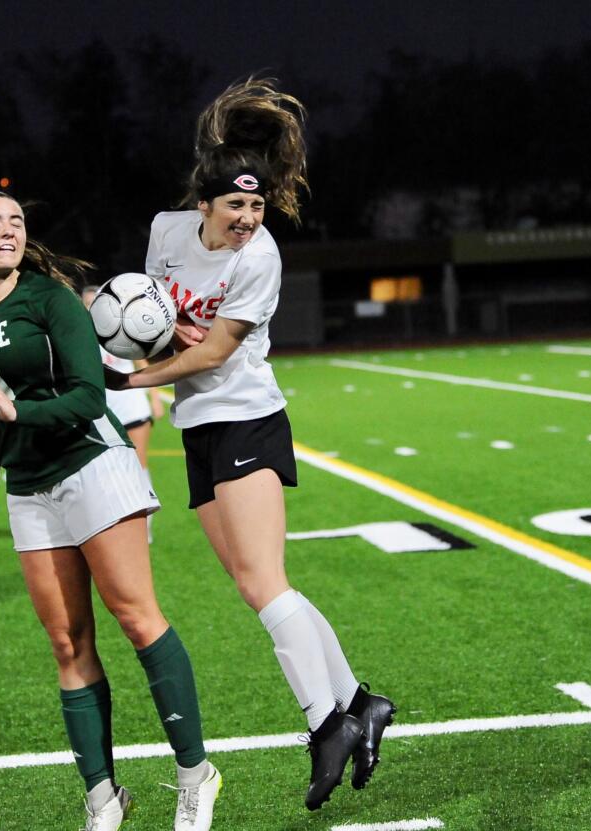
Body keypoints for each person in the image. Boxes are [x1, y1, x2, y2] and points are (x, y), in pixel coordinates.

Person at [106, 79, 396, 812]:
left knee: (267, 582)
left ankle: (327, 722)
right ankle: (362, 701)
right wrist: (163, 333)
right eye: (234, 205)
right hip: (198, 427)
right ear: (201, 205)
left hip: (247, 419)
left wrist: (134, 371)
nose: (246, 218)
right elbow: (163, 317)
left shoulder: (260, 257)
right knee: (256, 586)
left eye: (256, 205)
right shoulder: (165, 233)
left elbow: (212, 355)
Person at [0, 188, 220, 831]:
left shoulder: (50, 300)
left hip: (93, 469)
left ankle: (195, 775)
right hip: (29, 488)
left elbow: (92, 398)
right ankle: (103, 799)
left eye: (17, 220)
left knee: (137, 619)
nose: (8, 229)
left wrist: (22, 412)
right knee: (67, 642)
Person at [81, 285, 166, 540]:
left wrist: (155, 397)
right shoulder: (78, 335)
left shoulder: (119, 329)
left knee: (137, 467)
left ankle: (144, 525)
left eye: (95, 302)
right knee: (105, 470)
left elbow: (140, 362)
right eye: (86, 303)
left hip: (131, 406)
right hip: (102, 411)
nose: (90, 307)